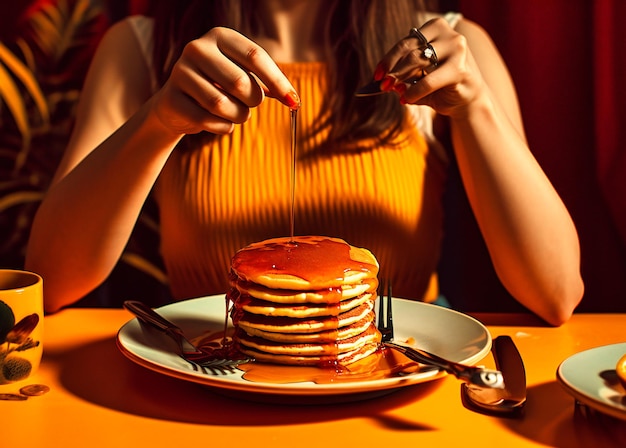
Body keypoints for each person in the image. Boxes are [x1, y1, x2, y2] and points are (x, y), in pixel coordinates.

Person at [25, 0, 583, 325]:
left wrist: (478, 108)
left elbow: (556, 292)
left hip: (398, 392)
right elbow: (50, 280)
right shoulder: (144, 48)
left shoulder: (451, 50)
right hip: (209, 386)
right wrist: (158, 123)